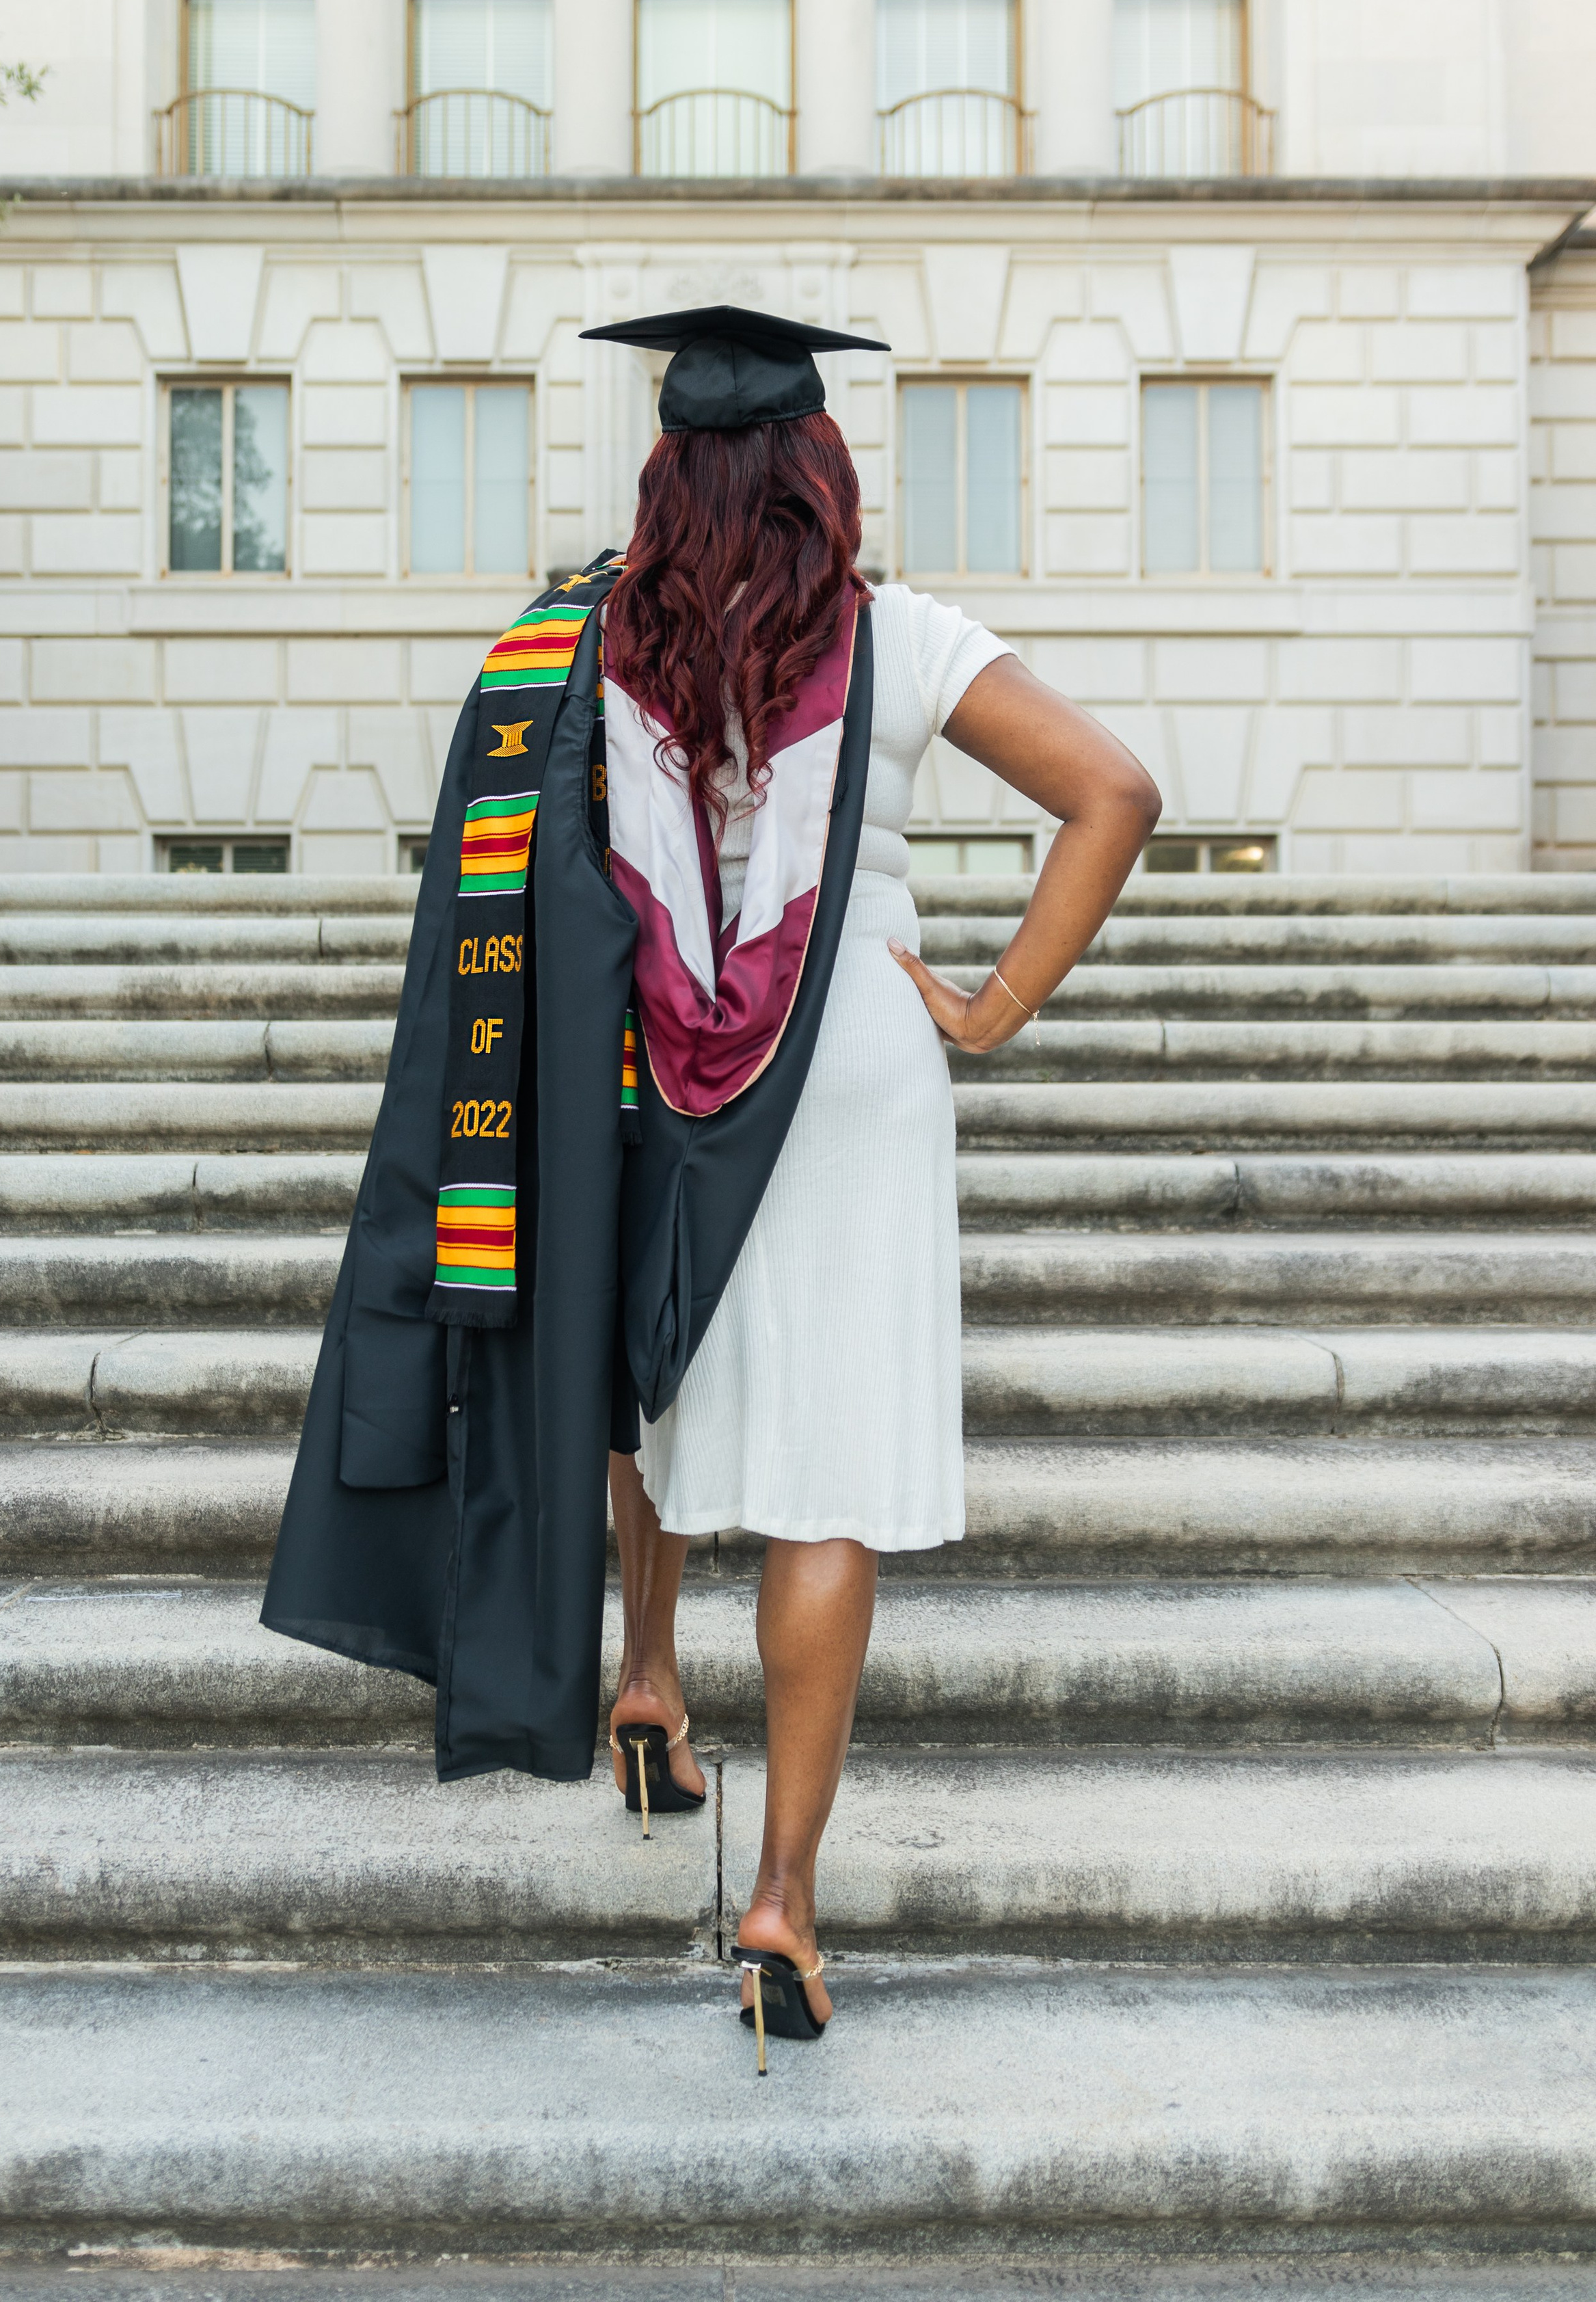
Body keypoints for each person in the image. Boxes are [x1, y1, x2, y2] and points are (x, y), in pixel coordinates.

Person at [588, 308, 1161, 2065]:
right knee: (823, 1474)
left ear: (667, 475)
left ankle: (646, 1680)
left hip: (656, 1048)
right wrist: (987, 1006)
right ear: (824, 477)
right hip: (851, 1053)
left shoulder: (588, 639)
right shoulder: (896, 636)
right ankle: (779, 1900)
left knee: (661, 1367)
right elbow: (1114, 794)